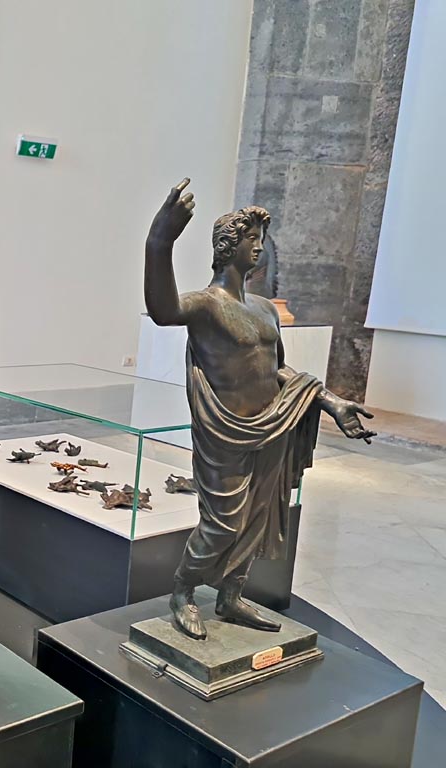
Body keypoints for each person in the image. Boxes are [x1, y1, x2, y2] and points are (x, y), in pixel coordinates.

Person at [144, 178, 375, 640]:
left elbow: (279, 371)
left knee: (257, 516)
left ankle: (230, 598)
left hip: (273, 427)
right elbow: (162, 310)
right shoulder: (206, 305)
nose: (259, 248)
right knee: (223, 521)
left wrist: (330, 402)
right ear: (228, 246)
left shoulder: (267, 310)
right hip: (226, 432)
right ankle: (183, 592)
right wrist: (160, 240)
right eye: (252, 239)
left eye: (261, 240)